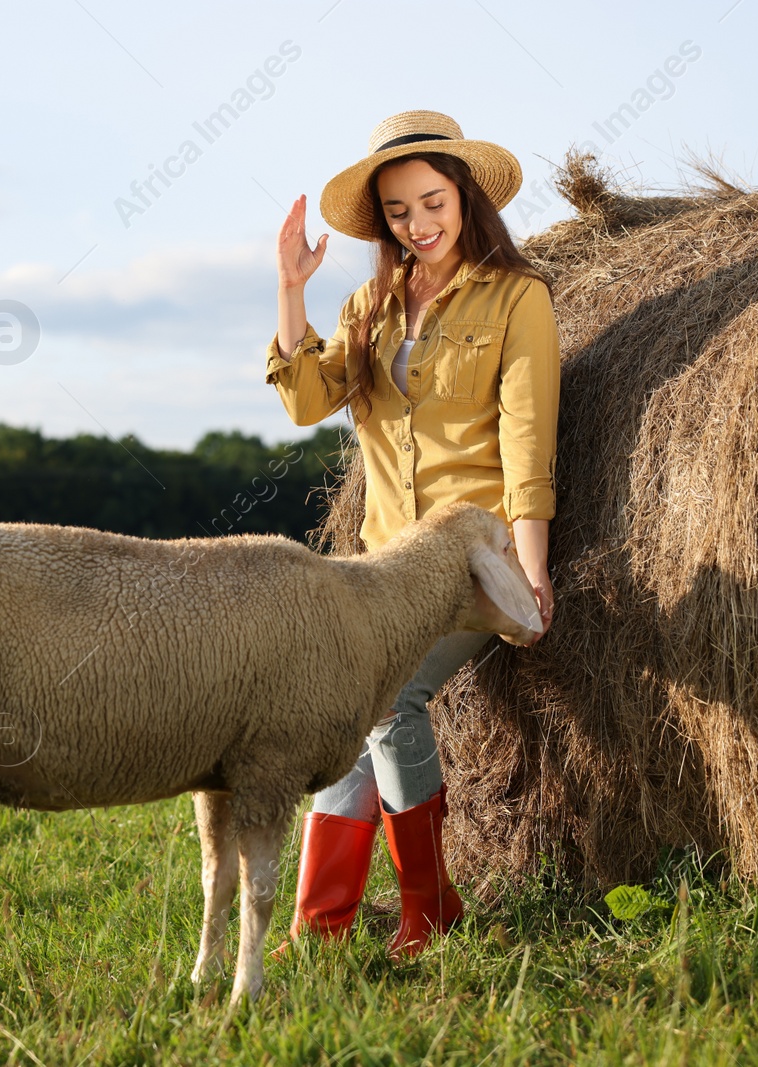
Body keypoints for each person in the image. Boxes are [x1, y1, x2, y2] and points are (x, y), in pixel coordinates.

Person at [265, 110, 560, 959]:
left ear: (464, 196)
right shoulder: (370, 304)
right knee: (346, 709)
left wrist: (529, 573)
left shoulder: (518, 297)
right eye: (398, 212)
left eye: (432, 202)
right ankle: (320, 925)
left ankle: (432, 910)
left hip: (474, 560)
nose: (418, 225)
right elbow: (303, 400)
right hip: (383, 564)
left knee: (389, 698)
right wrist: (292, 288)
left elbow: (527, 441)